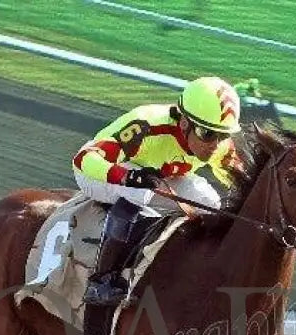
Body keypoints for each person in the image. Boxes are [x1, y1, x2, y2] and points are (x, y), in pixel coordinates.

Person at [72, 76, 243, 306]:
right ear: (184, 123)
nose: (215, 145)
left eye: (223, 135)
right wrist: (127, 176)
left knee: (211, 203)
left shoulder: (219, 146)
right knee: (139, 192)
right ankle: (102, 281)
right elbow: (83, 159)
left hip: (157, 176)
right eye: (207, 134)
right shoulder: (146, 126)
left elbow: (240, 178)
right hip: (98, 172)